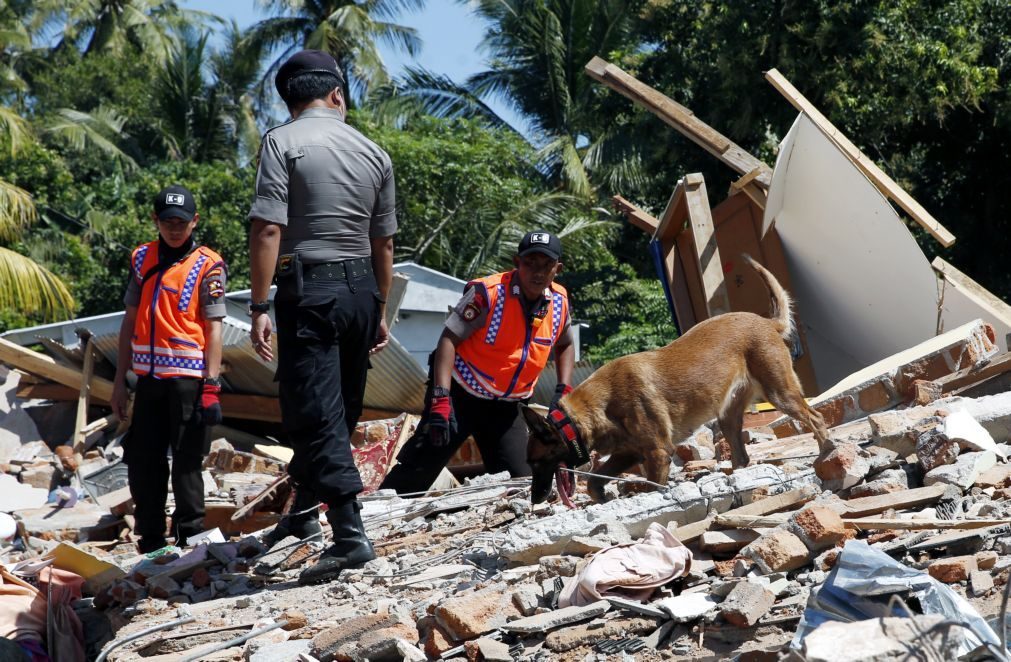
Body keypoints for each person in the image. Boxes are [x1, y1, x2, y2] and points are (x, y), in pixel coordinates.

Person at [247, 49, 395, 586]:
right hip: (361, 292)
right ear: (337, 95)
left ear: (291, 100)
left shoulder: (281, 142)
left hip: (310, 290)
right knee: (342, 406)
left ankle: (351, 537)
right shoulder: (374, 151)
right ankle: (304, 510)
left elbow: (267, 228)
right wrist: (380, 307)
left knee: (316, 409)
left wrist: (259, 305)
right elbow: (384, 241)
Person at [380, 230, 575, 495]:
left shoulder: (559, 302)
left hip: (508, 408)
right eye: (530, 263)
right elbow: (448, 340)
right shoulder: (489, 294)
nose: (537, 272)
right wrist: (440, 398)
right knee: (418, 470)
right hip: (462, 396)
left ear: (557, 268)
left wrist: (563, 389)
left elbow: (565, 344)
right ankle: (375, 512)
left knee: (519, 484)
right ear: (517, 262)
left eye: (546, 265)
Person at [111, 185, 227, 553]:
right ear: (155, 221)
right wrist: (118, 382)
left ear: (195, 221)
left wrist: (211, 385)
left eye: (181, 221)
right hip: (147, 381)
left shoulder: (209, 264)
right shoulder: (141, 258)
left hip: (189, 382)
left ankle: (192, 541)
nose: (174, 228)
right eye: (167, 221)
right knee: (144, 462)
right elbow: (130, 321)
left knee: (188, 463)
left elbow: (214, 328)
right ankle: (151, 542)